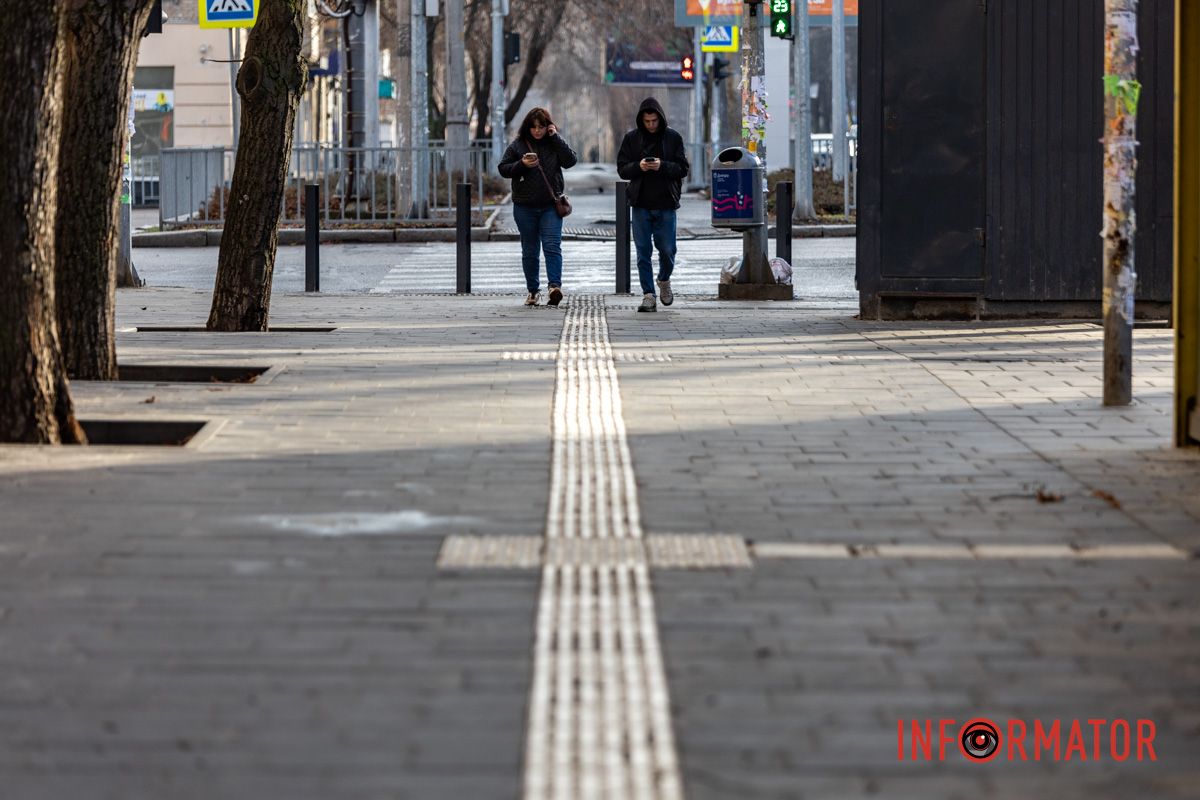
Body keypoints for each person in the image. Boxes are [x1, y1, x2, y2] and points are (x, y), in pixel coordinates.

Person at [498, 107, 577, 307]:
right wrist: (522, 164)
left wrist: (556, 137)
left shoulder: (553, 143)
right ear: (527, 127)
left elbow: (570, 161)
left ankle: (554, 287)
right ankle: (533, 291)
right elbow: (503, 169)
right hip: (525, 207)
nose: (537, 131)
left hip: (551, 205)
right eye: (533, 127)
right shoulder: (517, 146)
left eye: (541, 127)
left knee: (552, 246)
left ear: (548, 126)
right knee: (530, 250)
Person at [617, 97, 690, 312]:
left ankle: (664, 279)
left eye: (654, 121)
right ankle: (648, 294)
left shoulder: (672, 138)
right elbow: (622, 169)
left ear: (660, 119)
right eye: (647, 121)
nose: (651, 125)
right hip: (640, 203)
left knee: (668, 250)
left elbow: (683, 168)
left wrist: (662, 166)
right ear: (641, 120)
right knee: (643, 252)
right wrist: (639, 167)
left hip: (666, 202)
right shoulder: (631, 139)